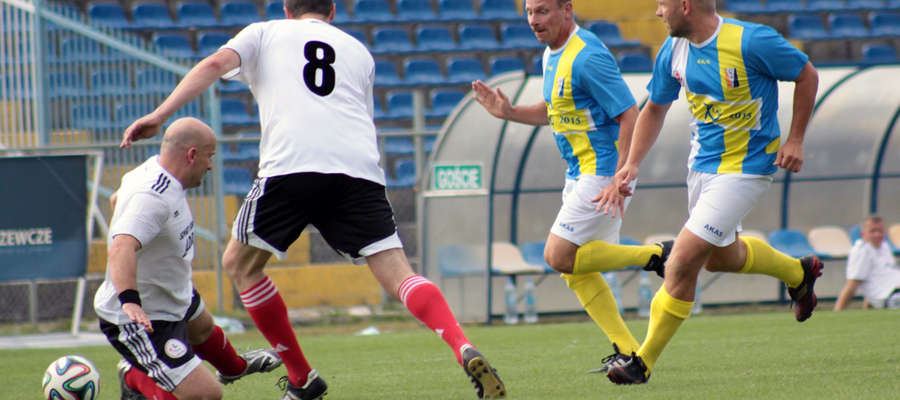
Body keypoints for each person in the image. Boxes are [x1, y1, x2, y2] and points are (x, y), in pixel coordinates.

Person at [120, 1, 506, 399]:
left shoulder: (265, 32)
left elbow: (213, 66)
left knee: (241, 265)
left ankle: (302, 378)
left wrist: (160, 114)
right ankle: (461, 344)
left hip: (292, 164)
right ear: (333, 11)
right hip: (358, 169)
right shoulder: (359, 52)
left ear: (288, 9)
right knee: (400, 275)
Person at [596, 0, 823, 385]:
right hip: (702, 169)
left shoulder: (751, 41)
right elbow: (655, 108)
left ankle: (642, 361)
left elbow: (807, 74)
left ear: (685, 6)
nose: (657, 12)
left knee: (682, 260)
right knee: (719, 258)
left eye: (663, 4)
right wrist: (631, 163)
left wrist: (796, 139)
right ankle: (797, 272)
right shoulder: (673, 50)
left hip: (747, 169)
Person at [472, 0, 672, 373]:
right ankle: (628, 352)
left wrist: (621, 175)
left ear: (567, 9)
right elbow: (554, 109)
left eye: (542, 11)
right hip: (578, 172)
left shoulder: (587, 55)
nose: (533, 20)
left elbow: (629, 113)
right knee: (574, 269)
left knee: (558, 256)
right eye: (530, 12)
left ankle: (658, 255)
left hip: (603, 170)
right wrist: (510, 112)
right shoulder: (552, 56)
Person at [95, 118, 282, 400]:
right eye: (209, 156)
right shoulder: (153, 197)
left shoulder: (152, 170)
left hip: (172, 293)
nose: (210, 165)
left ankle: (235, 367)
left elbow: (116, 200)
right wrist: (131, 301)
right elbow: (121, 247)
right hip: (145, 316)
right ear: (192, 155)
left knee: (203, 328)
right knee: (206, 394)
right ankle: (134, 375)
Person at [834, 216, 900, 310]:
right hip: (892, 297)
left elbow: (877, 280)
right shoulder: (861, 251)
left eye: (880, 231)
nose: (877, 235)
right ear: (863, 233)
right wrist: (837, 311)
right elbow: (852, 285)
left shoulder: (884, 246)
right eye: (873, 231)